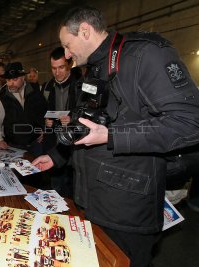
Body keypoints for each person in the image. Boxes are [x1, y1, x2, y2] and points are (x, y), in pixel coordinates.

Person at [32, 6, 199, 267]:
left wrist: (112, 135)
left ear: (85, 31)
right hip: (91, 201)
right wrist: (57, 156)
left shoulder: (145, 54)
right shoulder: (94, 66)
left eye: (67, 45)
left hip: (128, 213)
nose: (66, 54)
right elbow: (87, 124)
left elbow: (189, 123)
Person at [42, 46, 82, 198]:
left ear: (70, 65)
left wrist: (73, 119)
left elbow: (89, 115)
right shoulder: (46, 87)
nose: (57, 72)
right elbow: (41, 111)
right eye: (53, 68)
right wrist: (45, 122)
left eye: (61, 68)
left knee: (72, 190)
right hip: (54, 144)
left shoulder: (81, 86)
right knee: (56, 189)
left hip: (74, 147)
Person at [0, 62, 47, 156]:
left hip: (36, 143)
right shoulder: (1, 97)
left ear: (23, 78)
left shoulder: (35, 91)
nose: (11, 84)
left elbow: (45, 113)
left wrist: (45, 129)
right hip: (13, 146)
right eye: (8, 80)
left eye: (14, 79)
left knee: (39, 170)